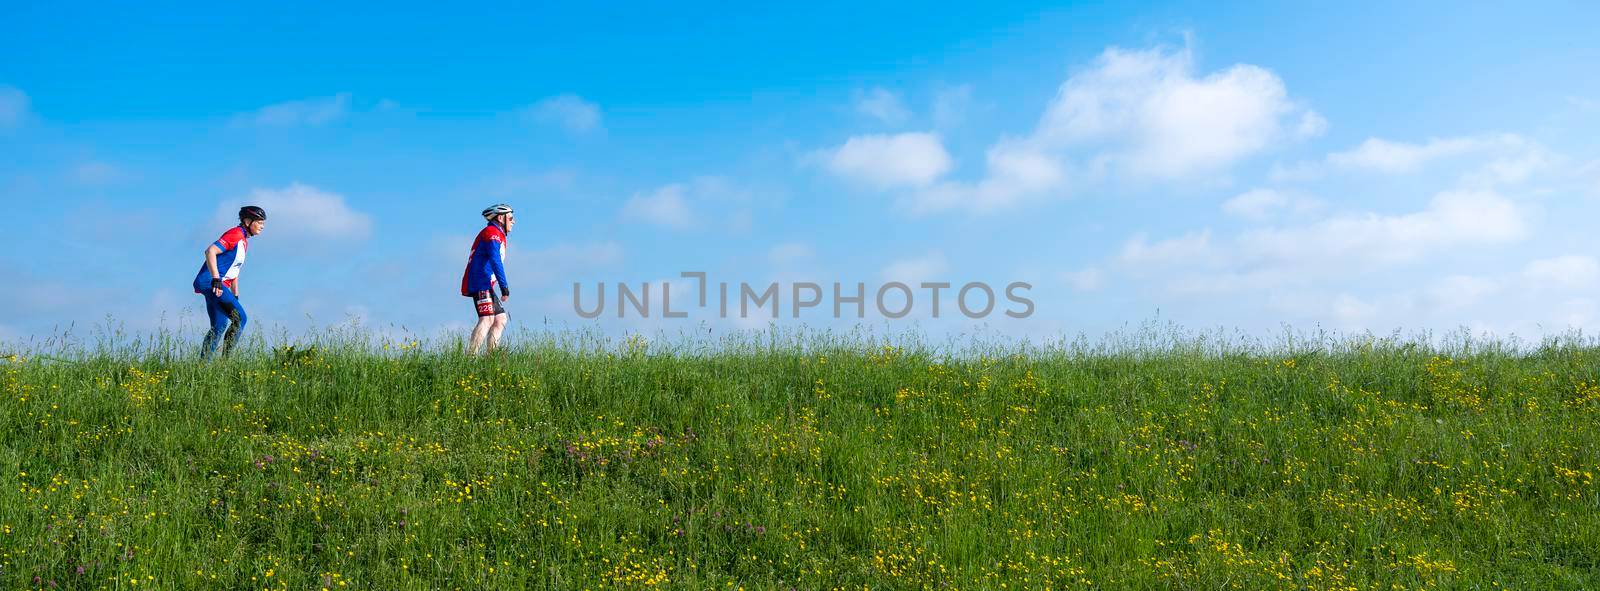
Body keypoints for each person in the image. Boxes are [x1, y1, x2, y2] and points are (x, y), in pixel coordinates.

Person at [194, 206, 266, 357]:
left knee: (219, 326)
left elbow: (234, 271)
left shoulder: (244, 241)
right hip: (211, 283)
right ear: (247, 221)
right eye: (259, 222)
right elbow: (210, 251)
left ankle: (202, 365)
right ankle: (227, 363)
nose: (262, 226)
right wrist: (216, 279)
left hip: (219, 285)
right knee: (240, 319)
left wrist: (235, 294)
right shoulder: (235, 234)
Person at [461, 203, 514, 354]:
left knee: (500, 319)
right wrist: (504, 286)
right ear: (500, 218)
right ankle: (470, 357)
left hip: (484, 282)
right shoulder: (492, 232)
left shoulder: (496, 233)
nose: (513, 221)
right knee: (487, 319)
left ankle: (492, 359)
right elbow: (495, 259)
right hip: (480, 282)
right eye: (510, 218)